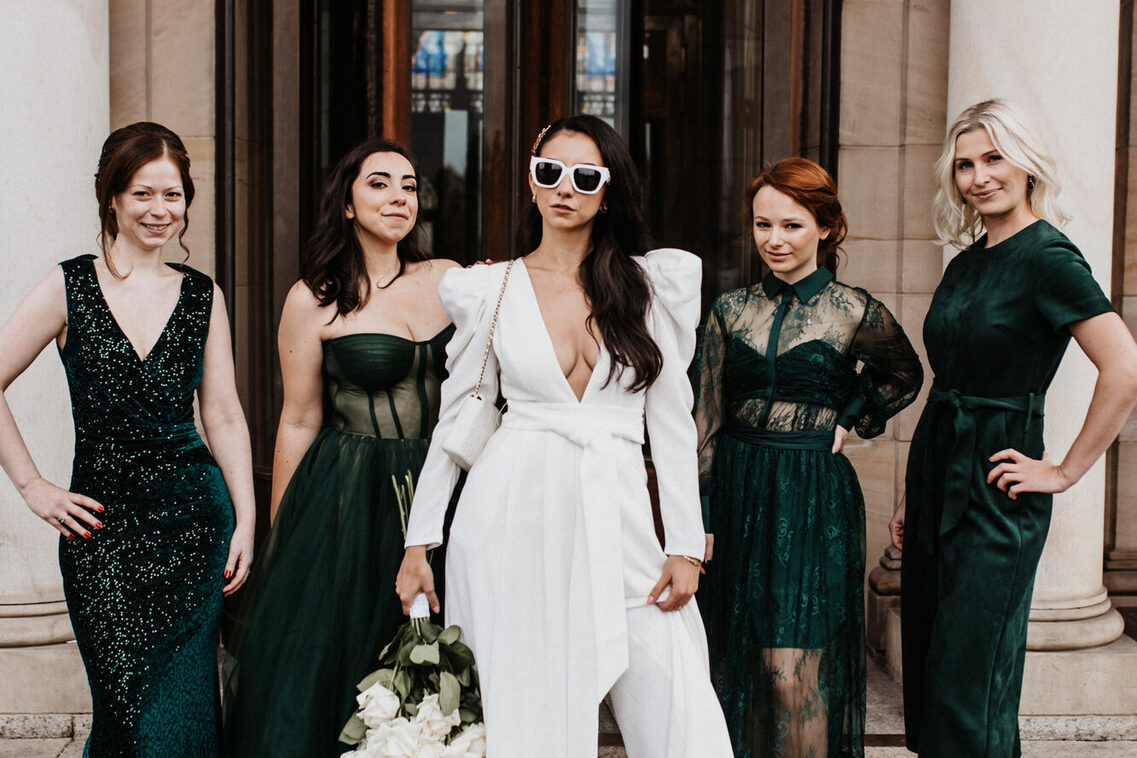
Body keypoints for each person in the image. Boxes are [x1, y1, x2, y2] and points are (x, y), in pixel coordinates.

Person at [396, 114, 733, 758]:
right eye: (550, 172)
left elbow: (670, 423)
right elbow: (456, 418)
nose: (565, 188)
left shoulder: (648, 286)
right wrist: (421, 539)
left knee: (679, 709)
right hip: (509, 514)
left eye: (585, 176)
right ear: (531, 182)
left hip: (622, 513)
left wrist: (685, 544)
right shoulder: (488, 288)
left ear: (609, 189)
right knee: (523, 711)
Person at [891, 99, 1137, 757]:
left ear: (1025, 163)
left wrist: (1062, 470)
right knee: (933, 670)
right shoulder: (964, 263)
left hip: (996, 488)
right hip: (939, 470)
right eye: (965, 163)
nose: (978, 176)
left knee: (968, 683)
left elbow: (1123, 367)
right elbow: (948, 382)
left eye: (993, 157)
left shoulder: (1048, 257)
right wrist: (914, 492)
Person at [0, 122, 255, 755]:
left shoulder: (202, 296)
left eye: (173, 195)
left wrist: (246, 518)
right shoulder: (69, 285)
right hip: (101, 536)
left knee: (186, 713)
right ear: (111, 197)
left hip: (195, 527)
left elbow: (222, 413)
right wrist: (32, 486)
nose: (160, 210)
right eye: (143, 194)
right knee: (127, 719)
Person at [221, 138, 458, 757]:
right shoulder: (313, 298)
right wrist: (283, 534)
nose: (398, 197)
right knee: (340, 655)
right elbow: (299, 419)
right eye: (379, 183)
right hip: (349, 494)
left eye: (409, 185)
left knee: (443, 655)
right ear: (347, 204)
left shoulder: (453, 281)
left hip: (445, 488)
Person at [693, 157, 922, 758]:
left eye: (791, 225)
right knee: (737, 665)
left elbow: (904, 375)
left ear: (825, 227)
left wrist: (851, 414)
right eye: (763, 225)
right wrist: (702, 513)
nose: (774, 239)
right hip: (739, 492)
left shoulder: (853, 310)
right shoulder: (729, 310)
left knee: (796, 673)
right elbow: (705, 419)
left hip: (813, 494)